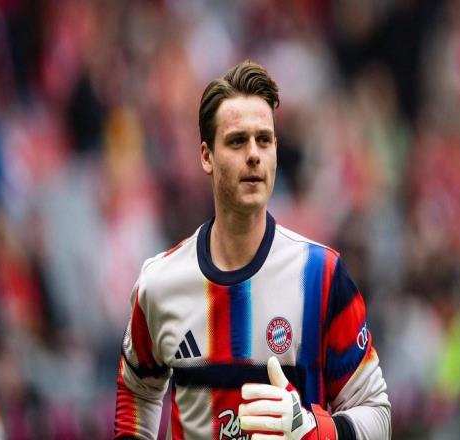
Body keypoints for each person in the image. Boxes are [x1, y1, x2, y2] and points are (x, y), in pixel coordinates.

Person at [114, 60, 391, 440]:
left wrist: (313, 431)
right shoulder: (160, 283)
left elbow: (377, 415)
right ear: (206, 156)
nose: (254, 154)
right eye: (237, 141)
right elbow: (138, 390)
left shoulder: (320, 275)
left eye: (264, 140)